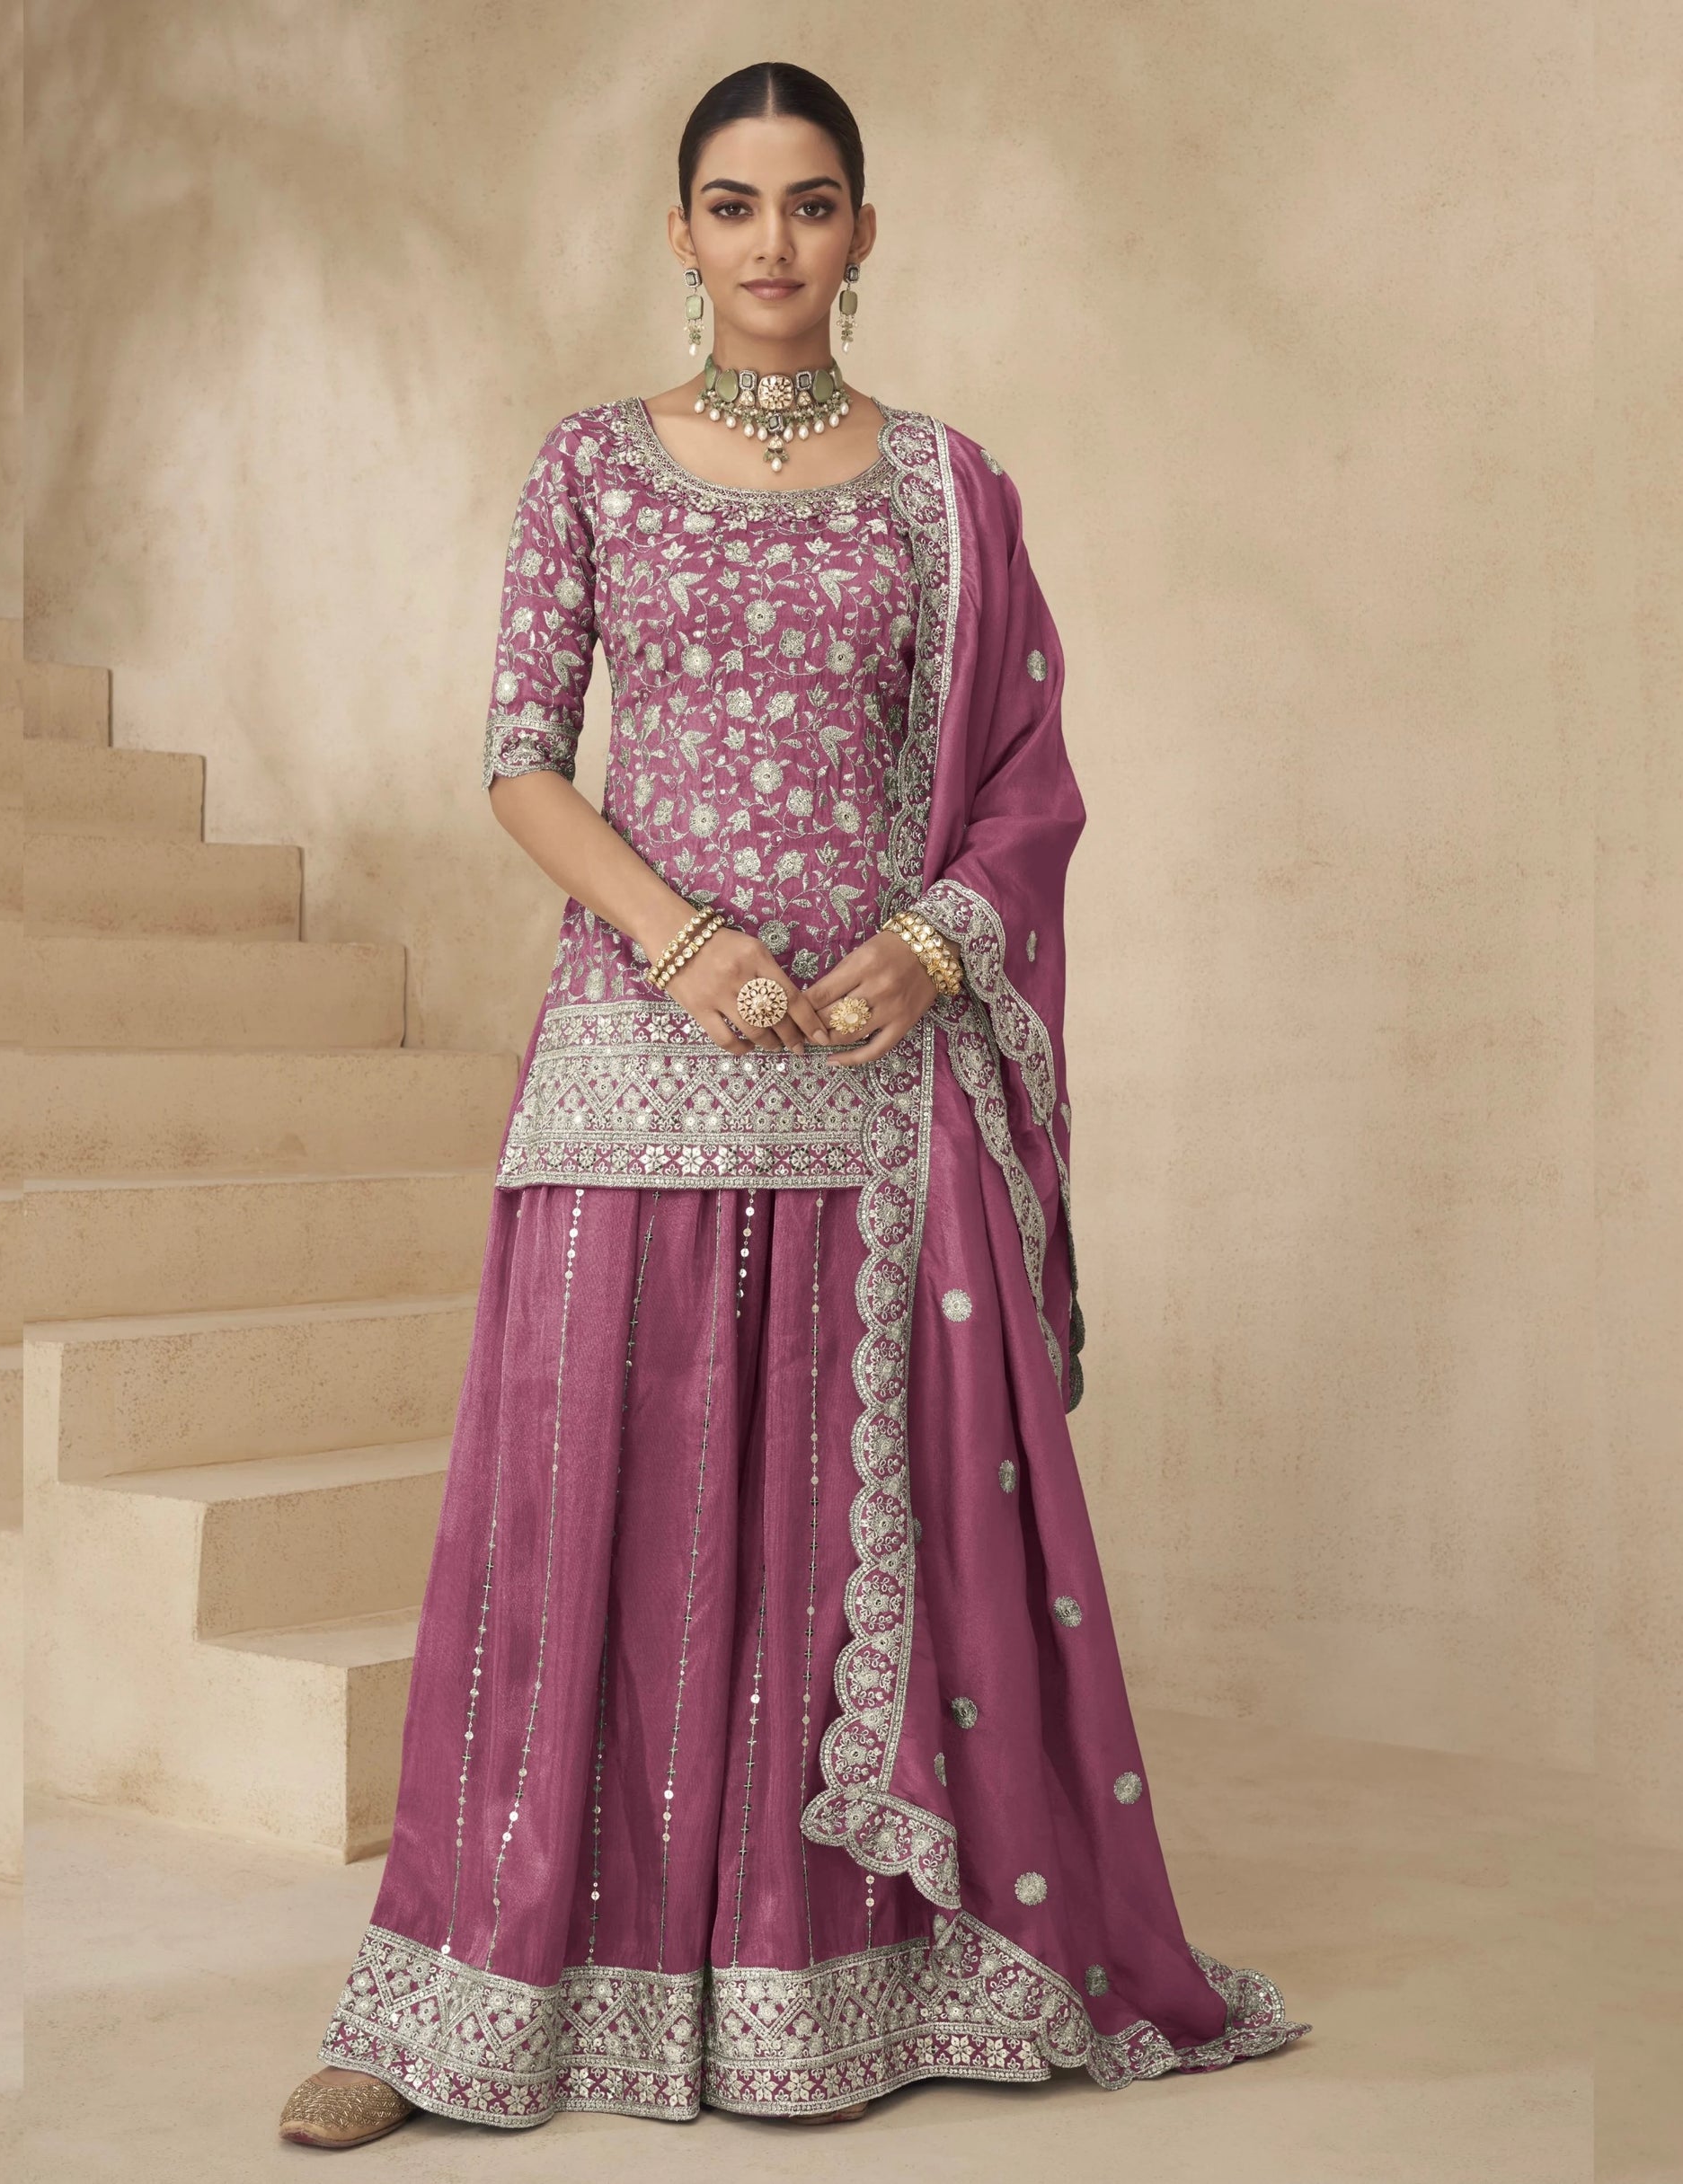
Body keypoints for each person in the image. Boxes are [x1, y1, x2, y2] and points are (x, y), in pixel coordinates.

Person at [278, 60, 1310, 2152]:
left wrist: (920, 954)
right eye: (732, 207)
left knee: (844, 1531)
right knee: (577, 1520)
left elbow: (1021, 775)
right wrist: (682, 943)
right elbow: (518, 757)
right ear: (679, 236)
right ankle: (457, 2000)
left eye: (810, 205)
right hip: (635, 1047)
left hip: (868, 1064)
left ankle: (846, 1973)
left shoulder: (946, 485)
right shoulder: (586, 465)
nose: (771, 245)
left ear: (863, 229)